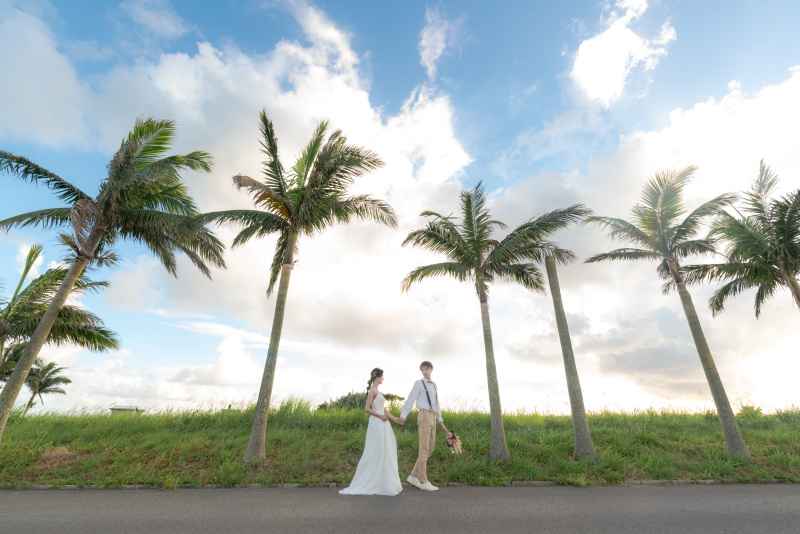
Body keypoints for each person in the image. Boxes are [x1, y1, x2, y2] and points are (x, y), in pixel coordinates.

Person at [339, 368, 403, 496]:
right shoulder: (372, 391)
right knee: (375, 451)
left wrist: (394, 418)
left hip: (383, 423)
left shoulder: (378, 391)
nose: (383, 378)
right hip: (377, 423)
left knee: (385, 451)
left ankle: (383, 482)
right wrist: (379, 417)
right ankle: (370, 481)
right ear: (377, 377)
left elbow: (383, 409)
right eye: (382, 376)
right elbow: (367, 409)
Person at [398, 361, 448, 491]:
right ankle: (424, 481)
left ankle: (413, 476)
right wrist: (403, 416)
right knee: (424, 449)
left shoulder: (434, 385)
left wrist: (440, 420)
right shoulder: (418, 384)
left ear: (431, 370)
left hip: (432, 416)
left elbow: (437, 404)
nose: (425, 371)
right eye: (422, 370)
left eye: (427, 369)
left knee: (430, 449)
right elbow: (410, 400)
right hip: (424, 416)